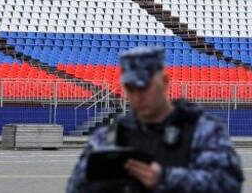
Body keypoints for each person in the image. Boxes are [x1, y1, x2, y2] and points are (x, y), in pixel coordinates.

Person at [66, 46, 242, 193]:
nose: (137, 97)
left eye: (144, 88)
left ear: (164, 81)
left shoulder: (202, 130)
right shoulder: (109, 136)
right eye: (130, 89)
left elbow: (228, 183)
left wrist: (165, 178)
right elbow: (75, 187)